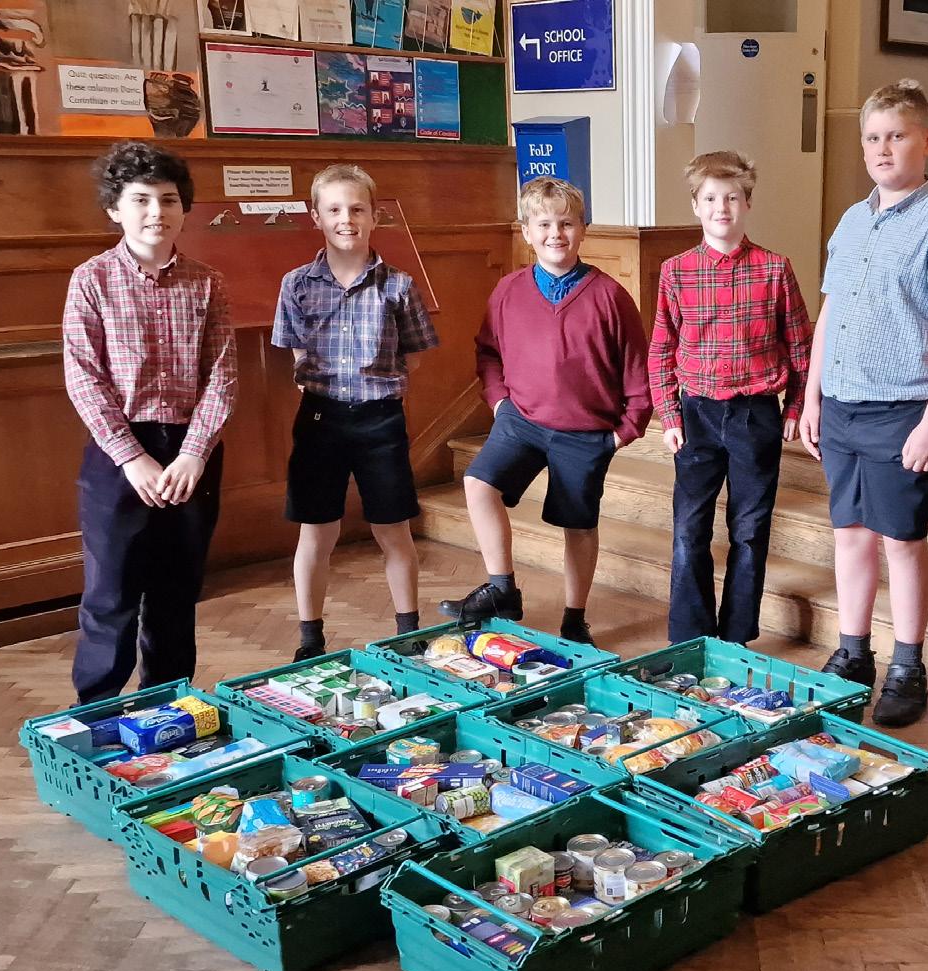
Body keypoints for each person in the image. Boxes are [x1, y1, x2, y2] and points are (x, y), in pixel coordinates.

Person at [800, 80, 928, 727]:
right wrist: (812, 394)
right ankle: (853, 654)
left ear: (927, 140)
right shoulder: (852, 221)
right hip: (841, 404)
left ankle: (908, 665)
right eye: (872, 137)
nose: (882, 148)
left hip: (903, 409)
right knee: (850, 535)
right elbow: (829, 313)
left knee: (901, 541)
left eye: (896, 136)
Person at [438, 177, 652, 642]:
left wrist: (623, 432)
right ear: (527, 232)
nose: (556, 233)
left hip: (585, 431)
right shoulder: (508, 290)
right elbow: (488, 351)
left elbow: (638, 370)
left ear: (583, 229)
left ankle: (575, 618)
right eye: (545, 224)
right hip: (521, 420)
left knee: (578, 525)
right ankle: (502, 589)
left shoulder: (610, 296)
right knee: (478, 483)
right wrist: (499, 401)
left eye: (567, 224)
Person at [63, 140, 237, 704]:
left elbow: (222, 375)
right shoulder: (91, 280)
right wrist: (132, 457)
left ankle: (166, 707)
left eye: (168, 199)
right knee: (111, 594)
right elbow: (84, 377)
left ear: (184, 209)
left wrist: (194, 452)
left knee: (176, 592)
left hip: (191, 454)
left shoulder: (207, 282)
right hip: (120, 455)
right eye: (140, 199)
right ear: (115, 208)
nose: (156, 212)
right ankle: (97, 713)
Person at [272, 163, 437, 660]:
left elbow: (414, 353)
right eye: (335, 210)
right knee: (317, 530)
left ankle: (407, 631)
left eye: (357, 209)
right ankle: (310, 638)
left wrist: (377, 387)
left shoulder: (398, 285)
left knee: (393, 527)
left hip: (379, 419)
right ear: (317, 217)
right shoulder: (297, 284)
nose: (347, 219)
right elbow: (296, 350)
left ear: (374, 216)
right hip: (320, 419)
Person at [649, 151, 811, 645]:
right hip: (695, 415)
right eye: (711, 198)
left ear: (748, 203)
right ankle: (690, 636)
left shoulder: (775, 269)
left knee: (749, 529)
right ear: (695, 205)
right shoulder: (676, 271)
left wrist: (796, 406)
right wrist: (669, 414)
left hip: (754, 415)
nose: (722, 208)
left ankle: (736, 636)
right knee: (689, 529)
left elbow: (800, 347)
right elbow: (661, 349)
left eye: (733, 198)